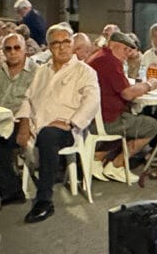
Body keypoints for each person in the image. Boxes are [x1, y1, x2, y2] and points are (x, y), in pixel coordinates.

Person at [14, 23, 99, 224]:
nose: (61, 47)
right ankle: (8, 189)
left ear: (72, 44)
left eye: (66, 42)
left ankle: (44, 199)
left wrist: (71, 123)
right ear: (49, 47)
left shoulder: (84, 71)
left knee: (48, 135)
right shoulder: (42, 71)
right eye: (56, 43)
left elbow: (92, 101)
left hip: (66, 128)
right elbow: (27, 98)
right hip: (37, 123)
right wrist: (24, 124)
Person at [88, 32, 157, 170]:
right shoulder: (111, 62)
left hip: (94, 116)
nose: (127, 54)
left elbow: (123, 87)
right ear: (113, 45)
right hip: (106, 120)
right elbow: (127, 94)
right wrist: (149, 85)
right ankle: (116, 166)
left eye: (129, 50)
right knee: (152, 125)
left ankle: (98, 158)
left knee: (130, 118)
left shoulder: (99, 56)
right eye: (125, 50)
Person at [0, 33, 34, 205]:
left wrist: (25, 125)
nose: (12, 52)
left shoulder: (37, 72)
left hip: (23, 120)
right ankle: (4, 183)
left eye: (17, 48)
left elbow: (35, 103)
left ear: (25, 50)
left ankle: (12, 190)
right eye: (8, 48)